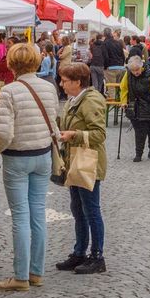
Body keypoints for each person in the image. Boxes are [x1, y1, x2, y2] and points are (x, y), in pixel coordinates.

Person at [0, 43, 59, 291]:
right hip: (43, 154)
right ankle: (36, 271)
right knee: (37, 213)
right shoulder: (49, 88)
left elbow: (4, 133)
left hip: (17, 157)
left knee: (20, 216)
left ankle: (20, 276)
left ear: (11, 64)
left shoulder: (10, 91)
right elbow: (54, 122)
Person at [55, 63, 108, 274]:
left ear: (78, 82)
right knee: (77, 209)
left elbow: (99, 134)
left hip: (88, 162)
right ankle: (79, 252)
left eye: (65, 81)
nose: (62, 84)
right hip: (74, 161)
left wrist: (73, 135)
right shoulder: (73, 100)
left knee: (91, 210)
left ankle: (97, 256)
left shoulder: (91, 100)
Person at [120, 55, 150, 162]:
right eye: (133, 70)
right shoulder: (128, 74)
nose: (135, 72)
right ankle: (138, 154)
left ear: (142, 66)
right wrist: (123, 102)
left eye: (137, 70)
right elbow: (124, 88)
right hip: (135, 107)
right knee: (140, 131)